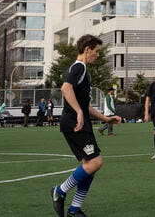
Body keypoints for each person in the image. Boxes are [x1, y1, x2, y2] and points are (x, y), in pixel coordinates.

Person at [50, 34, 121, 217]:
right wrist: (79, 112)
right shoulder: (79, 67)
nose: (98, 55)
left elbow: (85, 105)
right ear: (87, 50)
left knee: (89, 166)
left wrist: (106, 119)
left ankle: (74, 210)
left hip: (80, 122)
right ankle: (59, 191)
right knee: (96, 162)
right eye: (96, 51)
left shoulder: (83, 71)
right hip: (75, 123)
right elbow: (66, 88)